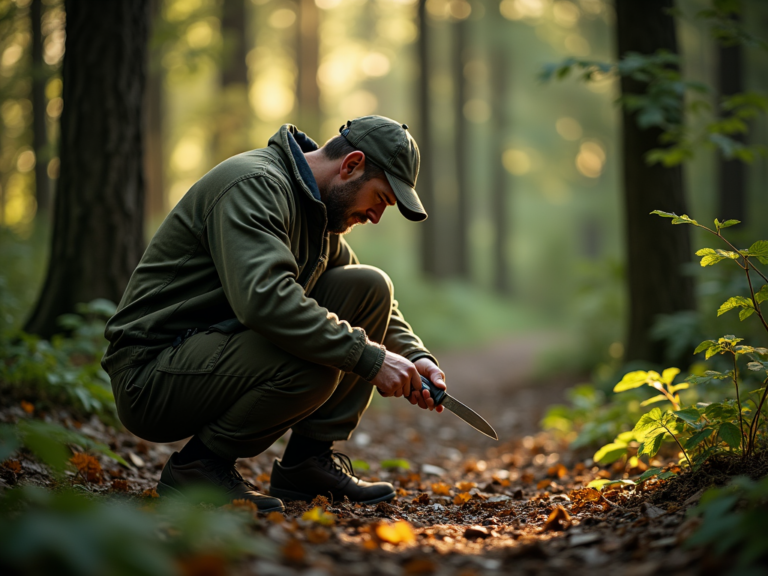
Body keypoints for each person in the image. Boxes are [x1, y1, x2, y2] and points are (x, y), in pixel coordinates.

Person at [102, 115, 447, 513]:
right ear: (351, 165)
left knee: (369, 286)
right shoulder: (256, 185)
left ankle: (306, 464)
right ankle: (199, 466)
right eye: (381, 199)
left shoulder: (313, 207)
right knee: (320, 366)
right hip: (150, 374)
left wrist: (415, 355)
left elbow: (365, 299)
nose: (375, 217)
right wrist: (371, 359)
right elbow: (264, 300)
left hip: (207, 349)